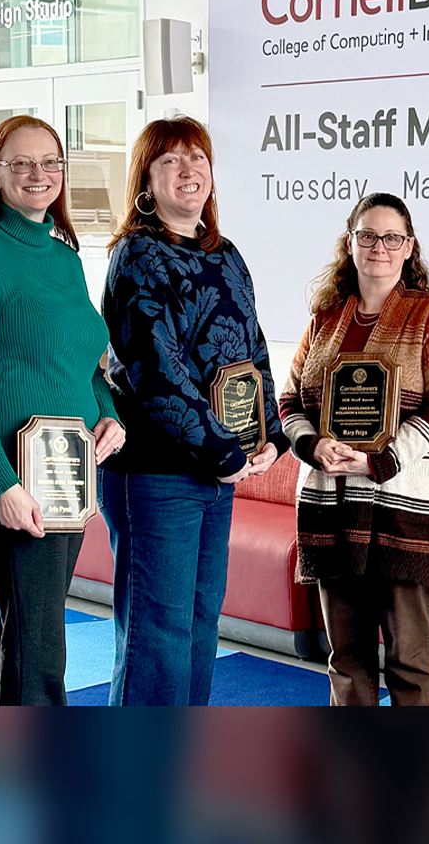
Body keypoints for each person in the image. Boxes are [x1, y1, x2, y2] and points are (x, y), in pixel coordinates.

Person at [100, 115, 288, 705]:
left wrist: (272, 435)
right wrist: (224, 452)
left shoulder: (226, 254)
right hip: (157, 473)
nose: (188, 171)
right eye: (170, 161)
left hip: (219, 470)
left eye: (198, 159)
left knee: (201, 626)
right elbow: (157, 372)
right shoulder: (137, 255)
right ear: (146, 182)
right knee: (157, 635)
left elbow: (252, 350)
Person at [0, 115, 127, 705]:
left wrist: (110, 415)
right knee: (41, 649)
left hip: (68, 473)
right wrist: (4, 485)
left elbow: (84, 363)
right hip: (13, 475)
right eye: (21, 163)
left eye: (50, 162)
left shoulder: (65, 257)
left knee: (21, 629)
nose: (38, 175)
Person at [279, 193, 429, 705]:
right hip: (331, 507)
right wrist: (312, 444)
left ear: (410, 247)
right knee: (347, 657)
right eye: (367, 235)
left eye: (392, 238)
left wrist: (379, 460)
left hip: (406, 509)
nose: (379, 247)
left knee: (410, 657)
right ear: (350, 242)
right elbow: (289, 399)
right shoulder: (325, 319)